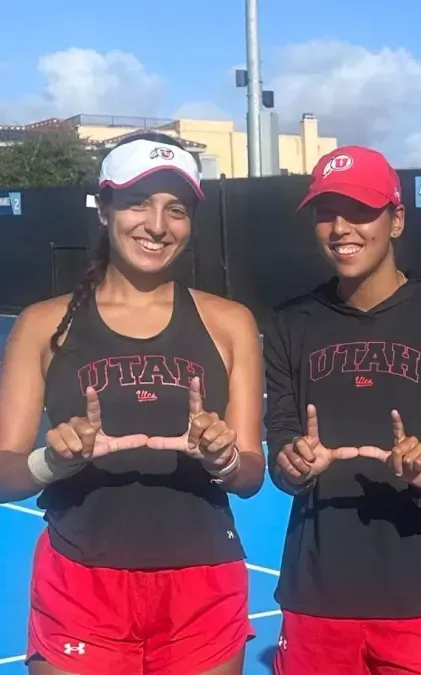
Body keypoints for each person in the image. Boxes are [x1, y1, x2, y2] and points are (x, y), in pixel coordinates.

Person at [0, 132, 265, 675]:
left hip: (202, 586)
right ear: (104, 207)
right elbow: (5, 472)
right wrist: (52, 461)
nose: (157, 225)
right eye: (138, 202)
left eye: (176, 209)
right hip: (80, 585)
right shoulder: (42, 325)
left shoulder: (231, 322)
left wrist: (224, 459)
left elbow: (250, 475)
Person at [263, 145, 421, 674]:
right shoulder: (291, 325)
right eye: (326, 213)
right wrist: (292, 463)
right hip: (318, 593)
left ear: (397, 219)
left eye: (361, 210)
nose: (341, 228)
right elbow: (281, 449)